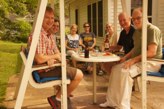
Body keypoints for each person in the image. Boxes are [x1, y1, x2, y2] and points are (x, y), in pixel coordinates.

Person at [99, 7, 162, 109]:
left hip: (153, 62)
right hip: (141, 60)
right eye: (134, 19)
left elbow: (151, 52)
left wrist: (132, 60)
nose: (135, 21)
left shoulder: (152, 30)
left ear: (145, 16)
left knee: (125, 72)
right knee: (115, 69)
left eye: (138, 18)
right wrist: (125, 58)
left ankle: (123, 106)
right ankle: (111, 101)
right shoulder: (137, 32)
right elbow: (135, 49)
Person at [27, 6, 83, 109]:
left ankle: (63, 97)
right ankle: (57, 98)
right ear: (40, 18)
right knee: (79, 74)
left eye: (52, 18)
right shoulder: (39, 35)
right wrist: (53, 56)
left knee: (68, 75)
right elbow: (39, 59)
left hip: (50, 67)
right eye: (47, 17)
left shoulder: (49, 35)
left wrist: (53, 57)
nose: (50, 21)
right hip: (43, 71)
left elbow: (58, 53)